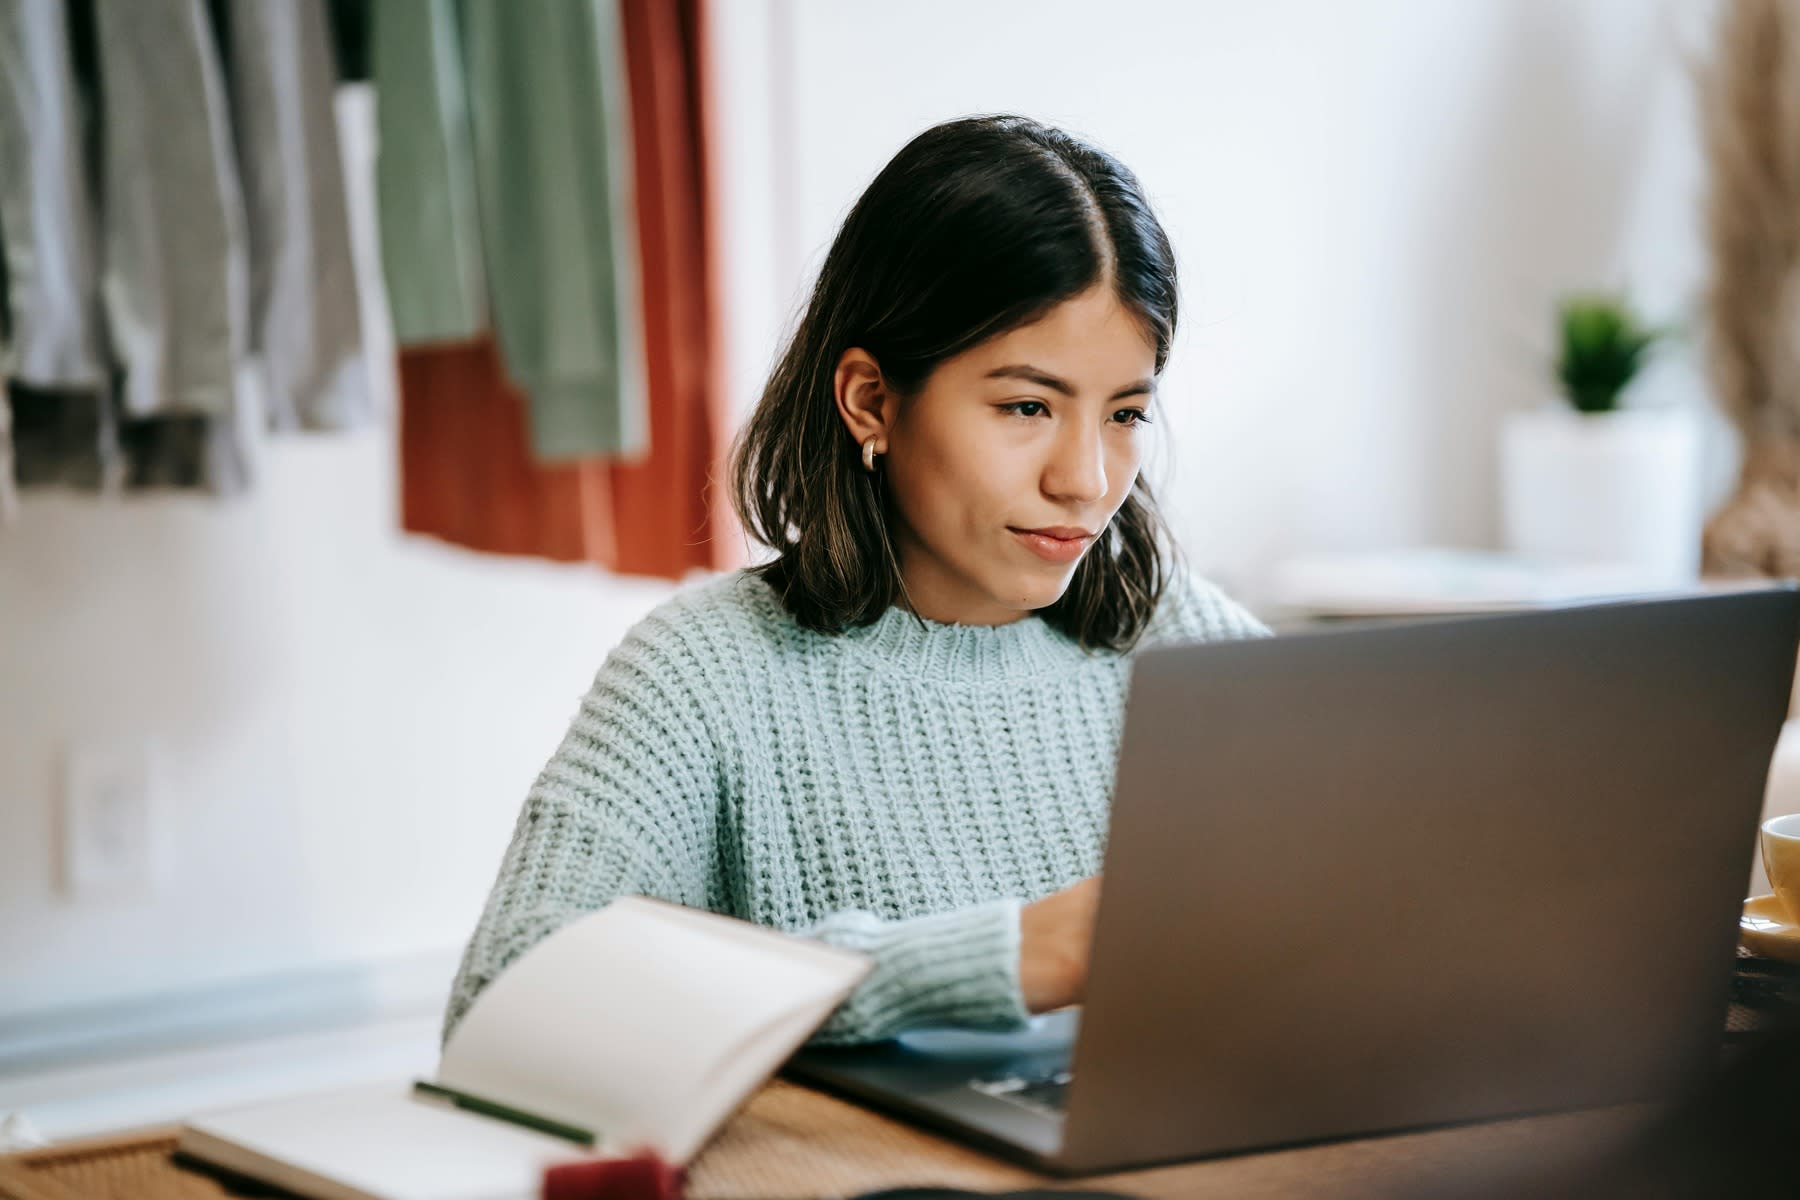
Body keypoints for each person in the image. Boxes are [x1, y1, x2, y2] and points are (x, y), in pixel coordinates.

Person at [441, 114, 1269, 1048]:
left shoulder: (1190, 645)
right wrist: (992, 958)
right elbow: (500, 1007)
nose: (1084, 478)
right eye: (1027, 406)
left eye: (1124, 414)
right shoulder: (705, 676)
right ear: (872, 399)